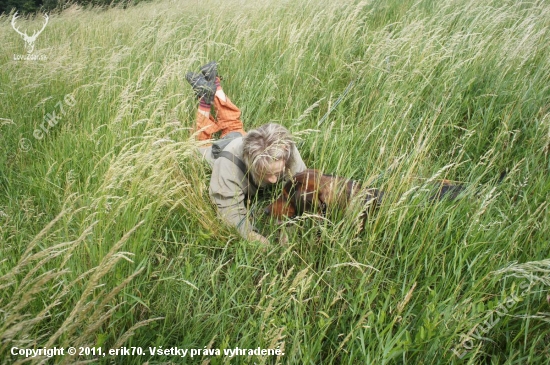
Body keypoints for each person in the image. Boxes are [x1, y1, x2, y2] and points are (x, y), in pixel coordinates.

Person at [185, 61, 307, 245]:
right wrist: (253, 237)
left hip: (239, 138)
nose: (274, 180)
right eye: (266, 174)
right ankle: (205, 101)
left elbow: (301, 187)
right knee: (199, 140)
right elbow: (230, 212)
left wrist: (289, 228)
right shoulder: (228, 167)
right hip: (220, 153)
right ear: (250, 161)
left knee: (234, 126)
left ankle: (215, 86)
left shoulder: (286, 149)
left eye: (277, 172)